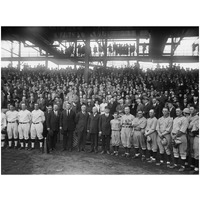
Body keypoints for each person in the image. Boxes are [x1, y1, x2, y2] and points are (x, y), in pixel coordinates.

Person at [187, 106, 199, 170]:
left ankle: (194, 165)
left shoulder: (197, 117)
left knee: (194, 149)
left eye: (192, 109)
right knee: (188, 148)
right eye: (190, 109)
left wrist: (189, 124)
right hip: (188, 134)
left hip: (193, 135)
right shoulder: (189, 116)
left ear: (195, 110)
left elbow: (189, 127)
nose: (190, 110)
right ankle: (190, 164)